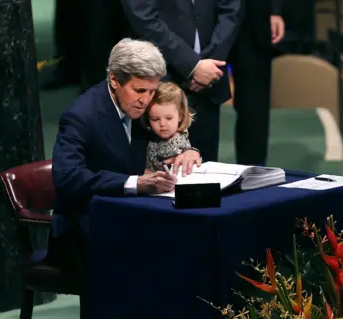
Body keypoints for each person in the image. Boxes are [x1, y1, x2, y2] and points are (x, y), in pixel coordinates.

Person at [51, 38, 202, 239]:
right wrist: (134, 183)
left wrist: (190, 152)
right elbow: (67, 176)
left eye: (152, 91)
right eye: (139, 91)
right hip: (89, 226)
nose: (146, 100)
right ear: (114, 80)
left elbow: (170, 129)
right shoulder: (81, 116)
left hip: (138, 214)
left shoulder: (143, 99)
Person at [120, 0, 242, 162]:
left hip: (209, 80)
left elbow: (231, 10)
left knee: (206, 171)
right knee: (162, 177)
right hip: (160, 79)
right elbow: (144, 18)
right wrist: (193, 66)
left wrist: (209, 64)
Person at [229, 0, 285, 165]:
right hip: (202, 9)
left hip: (253, 10)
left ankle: (253, 172)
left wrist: (273, 9)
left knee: (254, 100)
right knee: (200, 89)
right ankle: (196, 170)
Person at [142, 82, 197, 176]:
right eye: (155, 119)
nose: (162, 124)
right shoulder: (150, 137)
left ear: (180, 115)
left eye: (169, 118)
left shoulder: (177, 141)